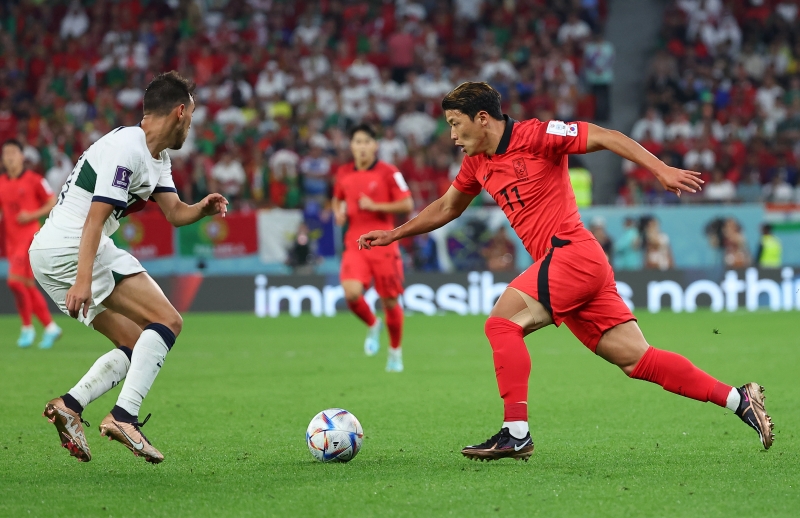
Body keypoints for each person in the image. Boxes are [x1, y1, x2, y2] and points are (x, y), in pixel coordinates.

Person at [358, 82, 774, 461]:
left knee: (501, 325)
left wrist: (660, 170)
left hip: (571, 254)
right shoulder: (476, 162)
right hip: (570, 266)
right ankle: (740, 400)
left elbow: (607, 136)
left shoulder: (537, 136)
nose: (451, 135)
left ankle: (515, 432)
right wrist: (396, 233)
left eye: (455, 123)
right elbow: (447, 207)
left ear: (482, 118)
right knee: (636, 359)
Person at [31, 72, 228, 464]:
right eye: (191, 116)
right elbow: (94, 218)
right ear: (179, 111)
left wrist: (201, 209)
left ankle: (70, 404)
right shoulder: (128, 147)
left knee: (137, 341)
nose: (191, 124)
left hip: (49, 253)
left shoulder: (156, 157)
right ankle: (124, 417)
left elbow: (174, 213)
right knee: (168, 321)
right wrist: (83, 280)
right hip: (74, 246)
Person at [332, 124, 414, 372]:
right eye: (357, 142)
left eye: (367, 142)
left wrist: (375, 206)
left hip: (383, 243)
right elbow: (337, 198)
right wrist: (338, 212)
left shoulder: (389, 172)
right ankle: (372, 323)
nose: (362, 147)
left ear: (375, 146)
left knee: (390, 302)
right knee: (351, 293)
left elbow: (407, 204)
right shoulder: (343, 172)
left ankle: (395, 352)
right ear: (352, 146)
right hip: (354, 243)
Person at [0, 140, 62, 348]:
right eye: (5, 153)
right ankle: (50, 328)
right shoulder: (2, 182)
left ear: (21, 156)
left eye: (13, 152)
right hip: (11, 241)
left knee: (14, 282)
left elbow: (52, 201)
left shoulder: (34, 180)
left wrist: (31, 215)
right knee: (25, 285)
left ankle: (27, 327)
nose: (9, 156)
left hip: (30, 237)